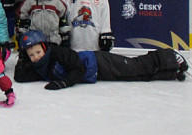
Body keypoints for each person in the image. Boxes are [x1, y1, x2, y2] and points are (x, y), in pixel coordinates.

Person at [15, 30, 189, 89]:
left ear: (44, 47)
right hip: (97, 74)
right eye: (31, 55)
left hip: (99, 62)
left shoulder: (58, 53)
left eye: (37, 52)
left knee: (134, 66)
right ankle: (171, 72)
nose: (36, 57)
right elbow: (19, 77)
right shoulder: (39, 67)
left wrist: (64, 83)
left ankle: (169, 56)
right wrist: (23, 58)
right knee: (135, 77)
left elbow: (78, 69)